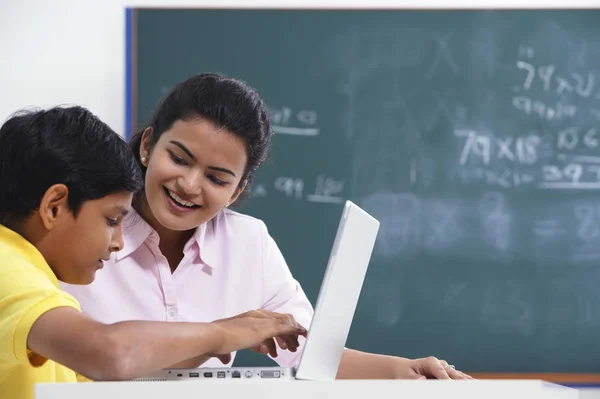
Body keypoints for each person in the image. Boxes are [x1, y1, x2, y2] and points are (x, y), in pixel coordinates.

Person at [62, 74, 471, 380]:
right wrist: (220, 334)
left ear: (237, 190)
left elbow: (312, 354)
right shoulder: (83, 228)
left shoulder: (247, 243)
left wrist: (406, 370)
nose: (189, 185)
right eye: (180, 159)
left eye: (217, 178)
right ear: (149, 145)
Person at [0, 106, 307, 399]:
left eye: (216, 178)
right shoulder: (7, 266)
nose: (118, 242)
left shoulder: (33, 275)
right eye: (111, 220)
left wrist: (214, 340)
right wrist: (221, 335)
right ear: (54, 207)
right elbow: (110, 355)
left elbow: (111, 380)